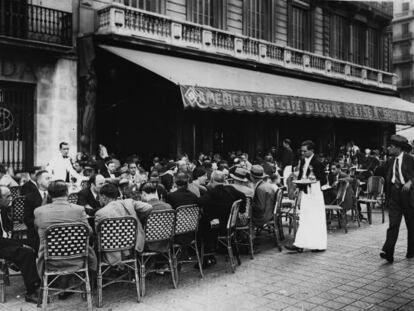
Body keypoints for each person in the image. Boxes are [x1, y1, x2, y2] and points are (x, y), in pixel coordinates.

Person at [34, 180, 97, 300]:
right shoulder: (78, 210)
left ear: (49, 194)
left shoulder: (39, 211)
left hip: (50, 260)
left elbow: (37, 230)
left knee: (57, 246)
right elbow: (89, 232)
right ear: (67, 193)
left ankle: (57, 287)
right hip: (77, 258)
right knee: (77, 247)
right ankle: (85, 288)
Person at [95, 184, 152, 266]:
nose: (99, 200)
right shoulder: (129, 202)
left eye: (99, 198)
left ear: (103, 197)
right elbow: (148, 207)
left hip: (112, 251)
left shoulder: (100, 213)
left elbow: (97, 232)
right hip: (132, 245)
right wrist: (136, 218)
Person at [0, 186, 40, 303]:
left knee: (34, 243)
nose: (11, 199)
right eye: (7, 196)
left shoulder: (3, 210)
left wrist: (19, 243)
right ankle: (31, 291)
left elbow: (7, 230)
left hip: (5, 242)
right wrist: (20, 244)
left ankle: (38, 279)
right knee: (25, 253)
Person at [286, 140, 327, 252]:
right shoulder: (303, 160)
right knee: (304, 217)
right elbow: (301, 175)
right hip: (305, 191)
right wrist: (297, 188)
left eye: (305, 151)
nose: (302, 153)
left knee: (315, 218)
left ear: (312, 151)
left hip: (315, 192)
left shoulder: (318, 162)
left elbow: (323, 179)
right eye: (302, 151)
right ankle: (299, 244)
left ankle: (318, 244)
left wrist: (314, 183)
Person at [198, 171, 246, 265]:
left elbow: (199, 202)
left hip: (217, 227)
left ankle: (206, 258)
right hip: (230, 225)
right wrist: (241, 211)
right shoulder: (231, 189)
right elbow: (243, 196)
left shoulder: (212, 193)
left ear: (211, 180)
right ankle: (213, 252)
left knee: (201, 226)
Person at [380, 135, 414, 263]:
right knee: (393, 224)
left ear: (398, 148)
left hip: (408, 195)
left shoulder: (410, 159)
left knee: (411, 225)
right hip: (394, 195)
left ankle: (411, 251)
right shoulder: (389, 162)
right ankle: (388, 252)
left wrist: (410, 181)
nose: (388, 148)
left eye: (391, 146)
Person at [140, 182, 172, 253]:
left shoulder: (144, 209)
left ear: (144, 194)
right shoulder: (168, 206)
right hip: (166, 242)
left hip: (149, 244)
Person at [24, 170, 51, 251]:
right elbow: (27, 219)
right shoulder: (30, 197)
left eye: (50, 178)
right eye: (47, 178)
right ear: (39, 181)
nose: (50, 180)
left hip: (53, 229)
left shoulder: (54, 195)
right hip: (36, 231)